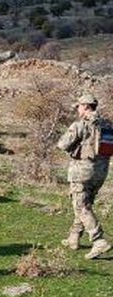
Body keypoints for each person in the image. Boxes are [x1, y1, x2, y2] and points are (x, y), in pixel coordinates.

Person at [57, 94, 113, 259]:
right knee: (84, 205)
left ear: (86, 106)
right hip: (101, 172)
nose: (78, 109)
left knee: (81, 206)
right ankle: (73, 237)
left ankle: (98, 240)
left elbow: (62, 144)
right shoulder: (107, 125)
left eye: (79, 107)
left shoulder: (80, 125)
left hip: (82, 171)